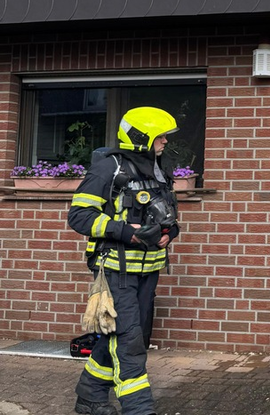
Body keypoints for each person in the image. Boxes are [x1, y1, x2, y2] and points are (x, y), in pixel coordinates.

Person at [68, 107, 181, 415]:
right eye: (160, 137)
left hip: (149, 270)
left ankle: (90, 398)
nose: (164, 143)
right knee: (129, 342)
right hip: (116, 270)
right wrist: (124, 232)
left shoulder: (158, 168)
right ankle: (139, 409)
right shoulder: (109, 169)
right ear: (141, 137)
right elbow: (79, 216)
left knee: (125, 336)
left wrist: (169, 233)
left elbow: (168, 214)